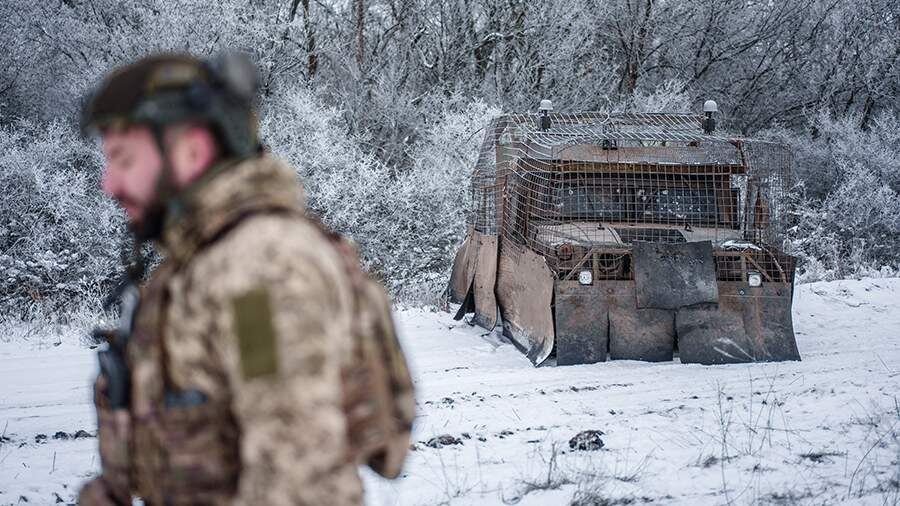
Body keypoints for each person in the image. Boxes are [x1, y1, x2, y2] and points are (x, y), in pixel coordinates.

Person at [78, 53, 369, 506]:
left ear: (191, 151)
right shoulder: (199, 263)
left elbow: (301, 489)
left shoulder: (258, 273)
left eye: (124, 158)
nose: (109, 183)